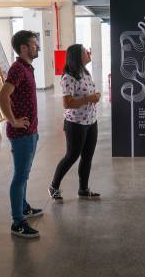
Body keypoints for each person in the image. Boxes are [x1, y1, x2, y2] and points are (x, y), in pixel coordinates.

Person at [0, 30, 43, 238]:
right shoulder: (17, 69)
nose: (37, 47)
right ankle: (18, 222)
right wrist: (13, 121)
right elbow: (2, 96)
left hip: (31, 132)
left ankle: (23, 207)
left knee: (24, 175)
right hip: (21, 134)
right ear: (23, 48)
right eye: (34, 44)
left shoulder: (26, 68)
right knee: (20, 176)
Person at [48, 44, 101, 201]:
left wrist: (95, 95)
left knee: (87, 156)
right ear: (78, 56)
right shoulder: (68, 77)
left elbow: (88, 94)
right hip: (75, 123)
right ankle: (54, 186)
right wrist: (89, 98)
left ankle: (83, 189)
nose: (88, 52)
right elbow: (67, 103)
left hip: (91, 120)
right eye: (85, 51)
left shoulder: (84, 72)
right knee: (72, 156)